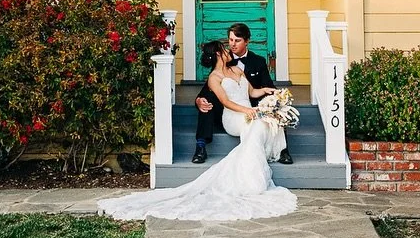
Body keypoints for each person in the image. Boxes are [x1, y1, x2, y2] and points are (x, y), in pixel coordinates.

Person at [96, 41, 296, 221]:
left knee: (266, 121)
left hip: (247, 111)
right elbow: (225, 101)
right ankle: (252, 176)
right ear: (218, 54)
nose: (228, 51)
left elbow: (251, 92)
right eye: (225, 49)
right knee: (257, 123)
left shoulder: (238, 71)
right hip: (233, 116)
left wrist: (267, 92)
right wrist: (248, 111)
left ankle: (252, 173)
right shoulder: (214, 78)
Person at [193, 23, 292, 165]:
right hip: (230, 110)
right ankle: (201, 145)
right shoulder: (218, 69)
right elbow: (209, 91)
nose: (232, 45)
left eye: (237, 41)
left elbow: (262, 88)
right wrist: (198, 101)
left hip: (251, 103)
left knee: (274, 110)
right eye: (230, 40)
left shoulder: (257, 62)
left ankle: (282, 151)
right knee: (205, 100)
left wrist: (275, 97)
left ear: (247, 41)